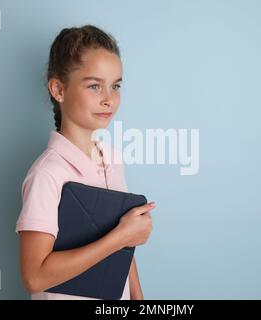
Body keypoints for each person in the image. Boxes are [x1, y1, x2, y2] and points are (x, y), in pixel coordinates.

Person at [15, 25, 156, 300]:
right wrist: (121, 237)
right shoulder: (47, 174)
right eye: (94, 86)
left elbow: (124, 254)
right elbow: (34, 277)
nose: (109, 99)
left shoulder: (113, 159)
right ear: (58, 89)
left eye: (115, 86)